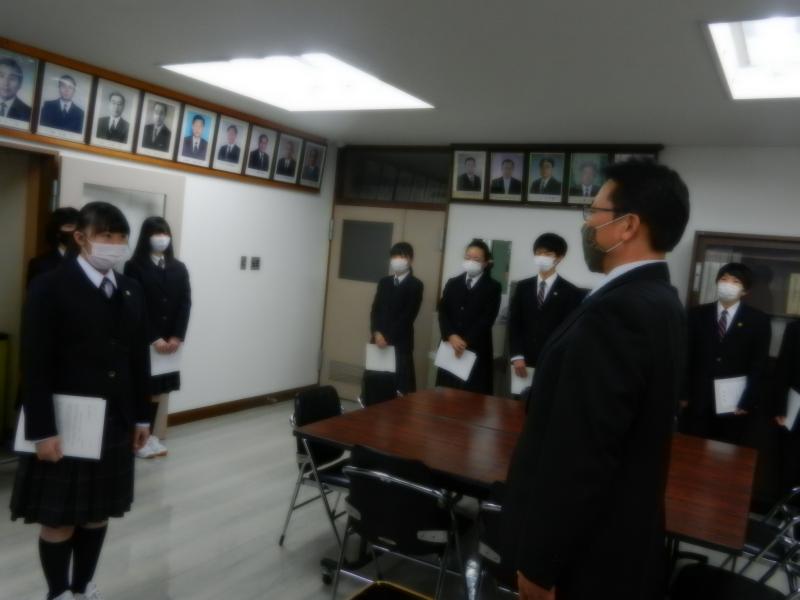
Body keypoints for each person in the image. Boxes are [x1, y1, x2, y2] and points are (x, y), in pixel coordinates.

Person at [502, 160, 691, 599]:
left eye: (595, 211)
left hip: (584, 556)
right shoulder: (659, 299)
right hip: (618, 541)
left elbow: (581, 452)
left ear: (627, 226)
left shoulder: (620, 311)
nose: (587, 223)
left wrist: (539, 564)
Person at [11, 201, 151, 600]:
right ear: (81, 237)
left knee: (96, 513)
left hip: (114, 420)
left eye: (121, 237)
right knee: (58, 518)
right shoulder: (49, 286)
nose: (114, 244)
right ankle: (57, 592)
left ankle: (83, 586)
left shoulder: (130, 288)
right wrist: (41, 430)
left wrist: (142, 418)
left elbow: (138, 359)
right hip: (65, 420)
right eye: (106, 235)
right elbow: (35, 363)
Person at [682, 263, 771, 446]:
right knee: (690, 449)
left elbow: (759, 364)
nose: (728, 284)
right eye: (724, 279)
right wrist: (682, 394)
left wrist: (747, 401)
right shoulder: (697, 314)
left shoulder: (758, 320)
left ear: (745, 290)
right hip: (697, 399)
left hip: (733, 403)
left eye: (735, 281)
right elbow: (684, 356)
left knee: (724, 454)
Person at [124, 217, 191, 459]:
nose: (161, 238)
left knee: (160, 390)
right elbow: (135, 305)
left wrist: (177, 336)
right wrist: (154, 338)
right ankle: (138, 439)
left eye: (165, 233)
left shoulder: (179, 267)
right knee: (143, 388)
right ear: (146, 237)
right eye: (156, 233)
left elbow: (185, 303)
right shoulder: (134, 266)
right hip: (145, 340)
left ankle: (150, 435)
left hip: (170, 342)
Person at [508, 233, 583, 385]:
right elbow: (514, 323)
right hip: (523, 360)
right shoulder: (523, 287)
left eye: (548, 254)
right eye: (538, 253)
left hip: (552, 361)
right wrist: (517, 355)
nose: (542, 257)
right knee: (519, 398)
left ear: (559, 257)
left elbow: (569, 332)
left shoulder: (571, 292)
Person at [436, 239, 501, 394]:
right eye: (468, 257)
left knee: (472, 398)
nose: (471, 261)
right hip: (449, 348)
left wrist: (465, 341)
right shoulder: (453, 283)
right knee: (445, 395)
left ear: (486, 263)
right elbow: (443, 312)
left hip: (476, 349)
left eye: (476, 259)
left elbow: (487, 319)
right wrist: (451, 335)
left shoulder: (493, 287)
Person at [369, 242, 424, 394]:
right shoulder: (384, 282)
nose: (397, 260)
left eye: (402, 256)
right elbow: (375, 310)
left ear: (410, 260)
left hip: (400, 343)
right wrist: (376, 333)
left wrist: (387, 337)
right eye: (394, 256)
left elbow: (408, 316)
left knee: (399, 389)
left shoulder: (416, 285)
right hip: (378, 341)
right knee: (375, 387)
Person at [773, 319, 800, 497]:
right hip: (795, 408)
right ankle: (784, 508)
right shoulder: (795, 328)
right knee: (789, 464)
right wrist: (780, 408)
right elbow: (783, 368)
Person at [27, 207, 80, 286]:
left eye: (78, 227)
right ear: (56, 232)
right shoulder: (40, 264)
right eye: (69, 226)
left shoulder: (88, 260)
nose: (75, 231)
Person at [0, 56, 32, 121]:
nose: (6, 83)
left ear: (20, 84)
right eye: (1, 76)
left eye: (12, 78)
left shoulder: (29, 112)